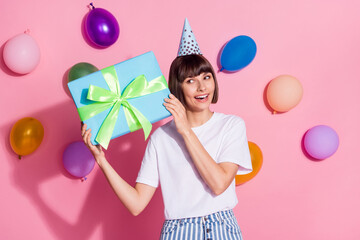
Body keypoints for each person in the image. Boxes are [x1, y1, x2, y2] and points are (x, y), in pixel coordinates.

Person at [81, 18, 252, 240]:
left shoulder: (231, 125)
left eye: (206, 77)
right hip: (179, 232)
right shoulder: (161, 138)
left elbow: (219, 184)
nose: (202, 87)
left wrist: (186, 131)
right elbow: (136, 204)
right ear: (177, 87)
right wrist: (101, 160)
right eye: (190, 81)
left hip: (222, 228)